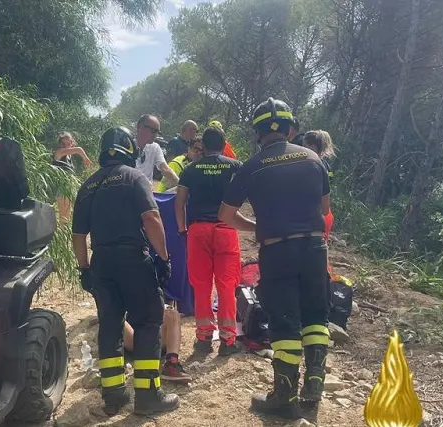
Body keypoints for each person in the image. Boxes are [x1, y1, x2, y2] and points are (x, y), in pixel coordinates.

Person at [218, 98, 331, 420]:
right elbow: (324, 209)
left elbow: (226, 215)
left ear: (257, 132)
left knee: (285, 321)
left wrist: (256, 226)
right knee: (315, 317)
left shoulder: (251, 166)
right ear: (291, 129)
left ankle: (284, 395)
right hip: (313, 248)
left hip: (277, 249)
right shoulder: (313, 158)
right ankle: (314, 385)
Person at [72, 126, 179, 416]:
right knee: (147, 321)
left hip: (102, 262)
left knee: (110, 326)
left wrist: (84, 269)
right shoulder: (134, 177)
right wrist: (164, 257)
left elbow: (78, 236)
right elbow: (151, 218)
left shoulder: (88, 186)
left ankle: (113, 395)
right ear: (130, 151)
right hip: (133, 259)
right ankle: (147, 395)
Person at [175, 127, 243, 356]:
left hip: (198, 230)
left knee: (201, 285)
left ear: (203, 145)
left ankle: (204, 338)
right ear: (224, 145)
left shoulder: (191, 168)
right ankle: (228, 340)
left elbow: (179, 202)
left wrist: (182, 229)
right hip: (226, 229)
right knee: (227, 285)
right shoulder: (235, 166)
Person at [122, 301, 191, 383]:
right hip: (133, 340)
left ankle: (171, 364)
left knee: (172, 314)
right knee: (116, 318)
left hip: (154, 338)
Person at [300, 130, 335, 241]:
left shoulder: (309, 165)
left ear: (312, 146)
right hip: (325, 214)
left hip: (311, 214)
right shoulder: (326, 165)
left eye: (304, 146)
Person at [53, 132, 92, 221]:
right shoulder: (59, 153)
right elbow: (79, 149)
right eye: (63, 144)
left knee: (67, 217)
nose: (66, 146)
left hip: (68, 188)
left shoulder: (69, 157)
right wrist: (85, 158)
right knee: (64, 218)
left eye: (69, 143)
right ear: (60, 144)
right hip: (62, 188)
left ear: (72, 142)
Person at [135, 115, 180, 190]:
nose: (156, 135)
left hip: (146, 193)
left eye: (158, 132)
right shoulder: (127, 146)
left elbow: (165, 169)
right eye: (153, 131)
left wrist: (181, 186)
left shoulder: (155, 147)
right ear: (140, 127)